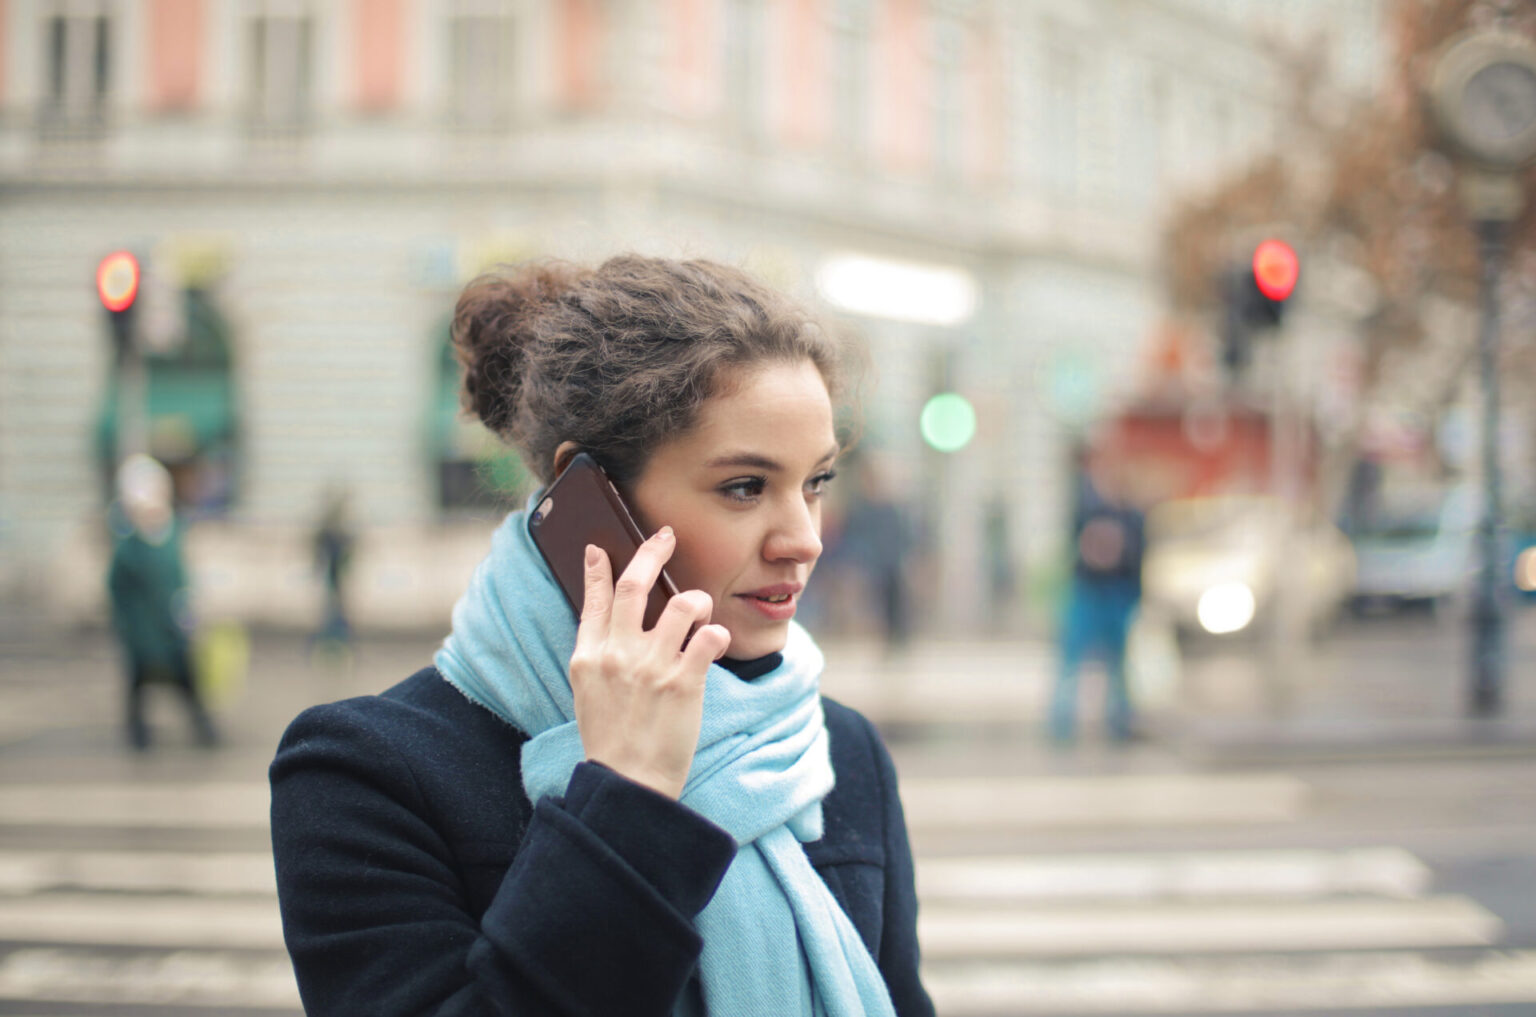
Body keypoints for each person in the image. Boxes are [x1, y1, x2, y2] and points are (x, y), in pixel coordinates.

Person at [269, 256, 934, 1017]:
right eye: (745, 487)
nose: (804, 539)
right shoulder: (364, 774)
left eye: (816, 482)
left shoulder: (836, 751)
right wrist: (627, 796)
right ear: (588, 497)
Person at [107, 454, 219, 750]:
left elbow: (180, 577)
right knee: (139, 685)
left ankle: (205, 729)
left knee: (187, 680)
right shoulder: (129, 547)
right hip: (143, 631)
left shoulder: (170, 536)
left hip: (172, 629)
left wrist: (187, 605)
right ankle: (138, 735)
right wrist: (130, 627)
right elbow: (117, 590)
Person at [1048, 447, 1146, 744]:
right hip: (1089, 591)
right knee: (1072, 659)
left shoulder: (1133, 515)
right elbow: (1075, 545)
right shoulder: (1087, 507)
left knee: (1118, 664)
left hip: (1119, 592)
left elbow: (1140, 555)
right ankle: (1061, 722)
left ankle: (1119, 720)